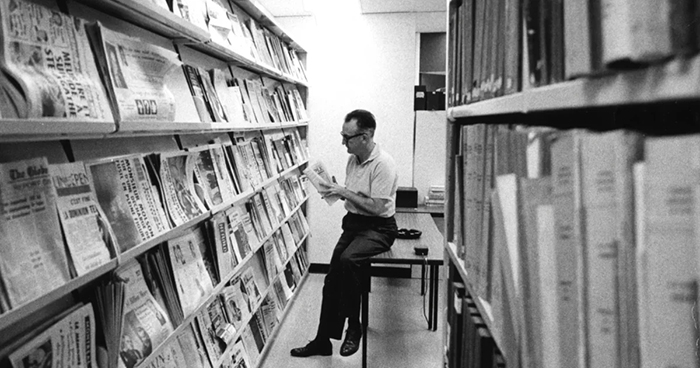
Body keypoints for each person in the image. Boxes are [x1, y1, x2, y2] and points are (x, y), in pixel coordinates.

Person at [290, 109, 398, 358]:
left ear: (367, 135)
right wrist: (335, 191)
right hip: (354, 224)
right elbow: (357, 198)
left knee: (349, 261)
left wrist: (345, 192)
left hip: (379, 227)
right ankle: (322, 341)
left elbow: (377, 207)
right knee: (331, 281)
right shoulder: (353, 159)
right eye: (343, 135)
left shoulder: (384, 164)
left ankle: (354, 327)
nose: (343, 142)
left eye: (347, 137)